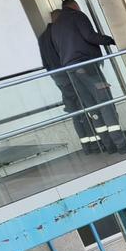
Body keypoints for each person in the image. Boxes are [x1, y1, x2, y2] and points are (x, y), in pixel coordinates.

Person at [49, 0, 126, 153]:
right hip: (87, 66)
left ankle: (109, 146)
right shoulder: (77, 16)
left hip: (71, 70)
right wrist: (112, 40)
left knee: (93, 107)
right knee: (105, 102)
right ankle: (122, 145)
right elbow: (90, 36)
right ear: (75, 6)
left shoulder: (56, 26)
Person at [38, 9, 98, 152]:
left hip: (58, 78)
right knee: (85, 106)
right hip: (69, 74)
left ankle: (87, 146)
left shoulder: (42, 37)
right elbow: (64, 54)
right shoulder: (58, 33)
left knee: (75, 112)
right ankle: (96, 144)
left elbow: (45, 62)